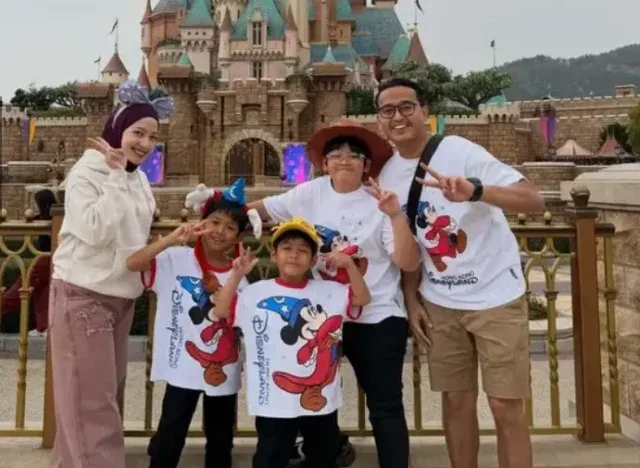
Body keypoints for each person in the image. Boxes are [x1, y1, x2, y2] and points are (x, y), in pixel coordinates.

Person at [375, 77, 546, 468]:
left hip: (495, 297)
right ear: (379, 120)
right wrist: (411, 297)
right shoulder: (387, 176)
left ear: (425, 112)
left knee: (505, 405)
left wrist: (476, 190)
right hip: (440, 303)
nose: (398, 116)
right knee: (456, 402)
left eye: (406, 107)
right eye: (388, 110)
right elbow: (411, 245)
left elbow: (533, 199)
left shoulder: (460, 151)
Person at [246, 119, 421, 468]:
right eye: (336, 154)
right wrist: (219, 210)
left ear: (366, 165)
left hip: (376, 315)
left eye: (353, 155)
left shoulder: (380, 201)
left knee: (385, 405)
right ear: (324, 163)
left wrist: (395, 216)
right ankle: (322, 453)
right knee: (311, 393)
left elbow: (408, 260)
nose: (344, 159)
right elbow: (261, 208)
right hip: (321, 319)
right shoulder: (310, 193)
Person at [48, 80, 175, 468]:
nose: (145, 143)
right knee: (92, 404)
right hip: (83, 294)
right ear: (118, 128)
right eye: (138, 132)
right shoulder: (88, 172)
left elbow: (135, 232)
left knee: (92, 399)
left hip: (120, 297)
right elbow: (95, 230)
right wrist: (117, 177)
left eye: (152, 136)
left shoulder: (136, 176)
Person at [213, 217, 372, 468]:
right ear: (274, 255)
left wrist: (350, 266)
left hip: (320, 398)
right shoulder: (255, 293)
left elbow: (362, 299)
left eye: (303, 250)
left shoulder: (329, 291)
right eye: (286, 248)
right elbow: (222, 311)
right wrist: (236, 275)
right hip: (273, 400)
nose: (294, 255)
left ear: (313, 259)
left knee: (323, 456)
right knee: (270, 457)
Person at [125, 178, 262, 468]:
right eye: (215, 222)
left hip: (222, 369)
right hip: (182, 367)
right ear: (202, 221)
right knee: (170, 433)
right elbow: (133, 263)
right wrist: (170, 239)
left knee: (221, 437)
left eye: (230, 227)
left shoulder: (239, 276)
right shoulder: (175, 259)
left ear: (239, 236)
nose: (220, 232)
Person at [1, 189, 57, 336]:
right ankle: (43, 327)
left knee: (18, 290)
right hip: (51, 260)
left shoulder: (49, 219)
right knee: (41, 292)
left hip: (43, 260)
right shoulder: (52, 217)